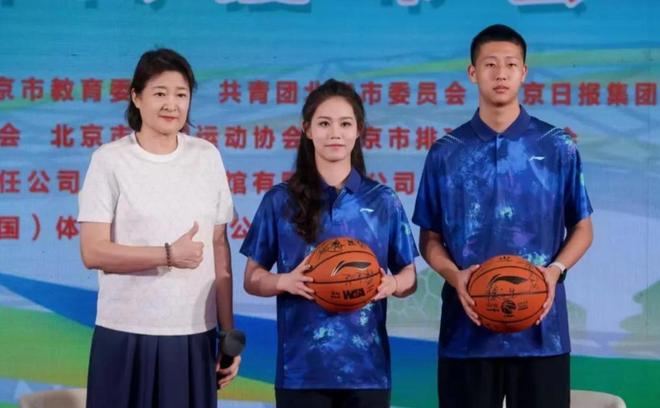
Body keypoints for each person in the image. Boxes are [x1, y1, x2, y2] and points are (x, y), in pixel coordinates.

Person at [413, 24, 594, 408]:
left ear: (524, 72)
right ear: (472, 72)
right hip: (466, 334)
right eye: (490, 64)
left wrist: (553, 272)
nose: (501, 73)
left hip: (542, 333)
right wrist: (455, 276)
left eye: (511, 64)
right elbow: (429, 237)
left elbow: (582, 226)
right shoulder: (446, 151)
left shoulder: (557, 145)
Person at [240, 79, 418, 408]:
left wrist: (392, 284)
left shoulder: (383, 201)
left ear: (359, 130)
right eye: (324, 123)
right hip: (301, 371)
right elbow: (252, 278)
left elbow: (410, 276)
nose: (335, 133)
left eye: (345, 124)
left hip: (367, 370)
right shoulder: (280, 200)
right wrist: (284, 281)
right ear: (307, 129)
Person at [78, 48, 240, 408]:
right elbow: (92, 251)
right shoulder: (110, 160)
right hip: (125, 332)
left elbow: (219, 248)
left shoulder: (206, 156)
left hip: (193, 334)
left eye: (181, 94)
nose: (172, 104)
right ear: (136, 97)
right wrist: (168, 254)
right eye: (160, 93)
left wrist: (227, 334)